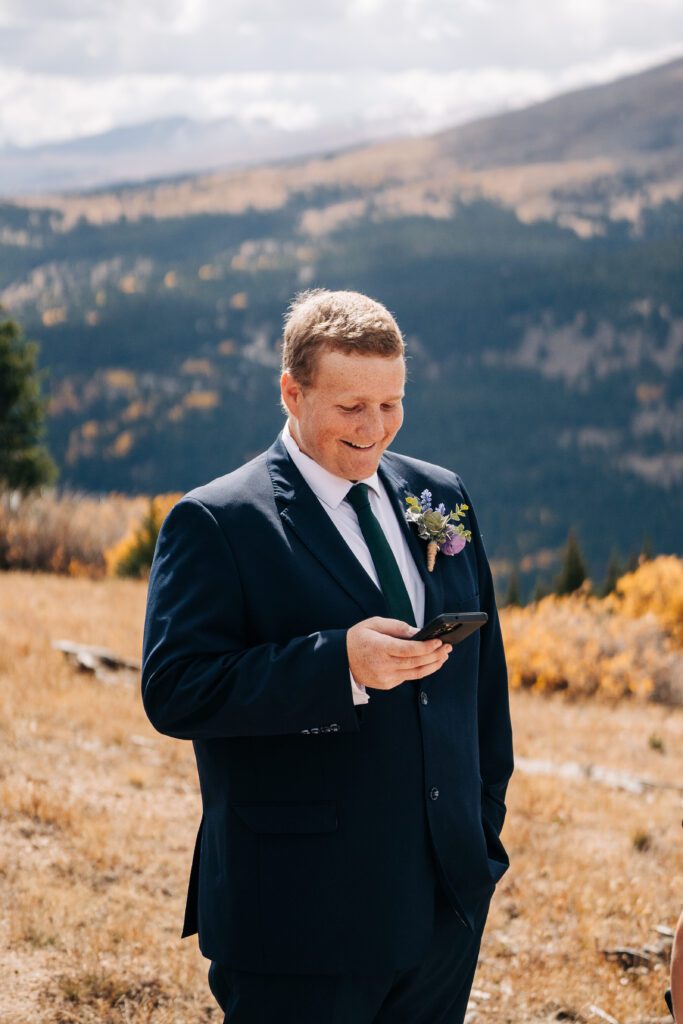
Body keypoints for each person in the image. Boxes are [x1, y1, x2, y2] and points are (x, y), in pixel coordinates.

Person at [141, 288, 514, 1023]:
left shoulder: (441, 496)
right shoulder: (216, 521)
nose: (374, 429)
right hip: (297, 913)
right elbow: (175, 689)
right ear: (291, 391)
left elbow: (484, 690)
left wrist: (482, 840)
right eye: (351, 407)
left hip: (443, 902)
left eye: (391, 403)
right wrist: (335, 664)